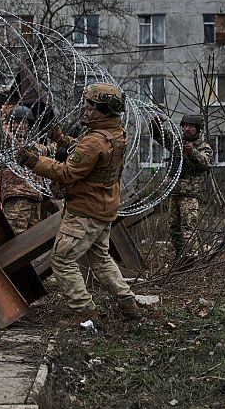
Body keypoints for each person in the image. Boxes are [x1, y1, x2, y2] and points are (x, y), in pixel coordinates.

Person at [15, 83, 140, 325]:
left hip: (85, 212)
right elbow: (86, 155)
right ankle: (128, 304)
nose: (85, 109)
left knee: (62, 259)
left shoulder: (94, 141)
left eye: (91, 107)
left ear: (104, 110)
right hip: (103, 208)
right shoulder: (115, 134)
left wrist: (34, 161)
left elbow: (68, 172)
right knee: (101, 260)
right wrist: (62, 139)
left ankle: (84, 313)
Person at [0, 105, 58, 234]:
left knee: (31, 241)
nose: (21, 126)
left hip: (35, 200)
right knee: (16, 237)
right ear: (10, 124)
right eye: (17, 122)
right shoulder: (8, 142)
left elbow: (51, 149)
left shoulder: (33, 146)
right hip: (18, 197)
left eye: (24, 122)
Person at [166, 114, 212, 268]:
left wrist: (192, 152)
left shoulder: (203, 146)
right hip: (175, 192)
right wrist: (155, 125)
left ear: (198, 129)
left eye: (191, 126)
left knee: (188, 227)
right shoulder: (178, 142)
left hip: (190, 194)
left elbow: (205, 163)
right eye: (185, 126)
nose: (187, 129)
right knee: (174, 228)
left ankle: (189, 261)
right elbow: (162, 137)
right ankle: (179, 258)